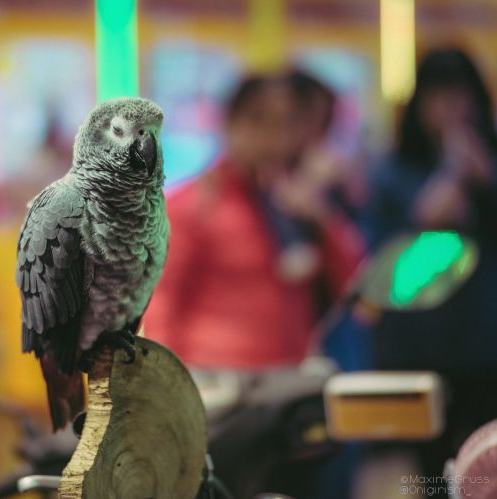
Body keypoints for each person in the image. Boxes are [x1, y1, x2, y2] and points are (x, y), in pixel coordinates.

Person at [143, 73, 365, 370]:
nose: (275, 139)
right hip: (217, 385)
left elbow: (354, 288)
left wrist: (322, 220)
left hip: (287, 380)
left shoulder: (295, 206)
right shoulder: (194, 205)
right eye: (261, 122)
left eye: (288, 124)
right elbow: (160, 305)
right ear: (231, 123)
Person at [362, 47, 497, 495]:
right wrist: (452, 175)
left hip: (486, 342)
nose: (451, 109)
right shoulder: (394, 171)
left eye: (460, 96)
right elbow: (390, 250)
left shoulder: (489, 166)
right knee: (430, 471)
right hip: (421, 343)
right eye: (438, 97)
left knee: (487, 460)